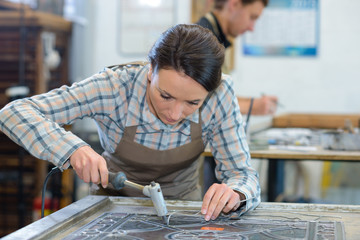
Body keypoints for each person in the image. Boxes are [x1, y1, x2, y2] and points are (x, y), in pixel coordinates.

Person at [0, 24, 260, 221]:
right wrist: (72, 149)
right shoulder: (114, 88)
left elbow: (242, 173)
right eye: (165, 95)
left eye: (193, 103)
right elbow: (14, 112)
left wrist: (236, 192)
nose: (174, 113)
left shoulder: (221, 94)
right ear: (150, 71)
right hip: (111, 209)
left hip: (185, 212)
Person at [197, 0, 278, 115]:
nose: (252, 28)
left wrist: (255, 102)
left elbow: (220, 95)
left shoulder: (216, 39)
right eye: (252, 17)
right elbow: (200, 103)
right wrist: (252, 107)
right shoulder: (202, 41)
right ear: (234, 4)